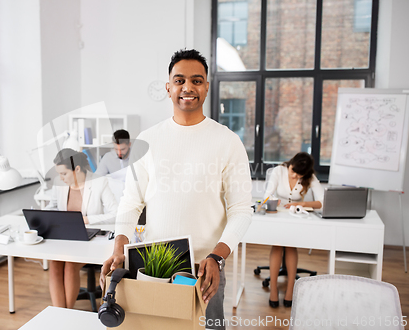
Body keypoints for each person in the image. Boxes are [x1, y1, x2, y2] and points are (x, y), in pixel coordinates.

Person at [99, 49, 253, 330]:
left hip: (205, 269)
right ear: (168, 87)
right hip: (155, 267)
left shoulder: (227, 141)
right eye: (179, 80)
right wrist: (119, 244)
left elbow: (242, 210)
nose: (188, 87)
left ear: (206, 87)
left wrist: (217, 257)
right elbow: (131, 202)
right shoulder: (148, 140)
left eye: (197, 80)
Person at [45, 148, 118, 308]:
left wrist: (87, 219)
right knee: (55, 263)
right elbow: (53, 207)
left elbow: (115, 213)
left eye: (64, 173)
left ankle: (67, 311)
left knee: (70, 265)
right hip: (66, 237)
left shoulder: (99, 182)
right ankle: (59, 313)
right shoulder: (60, 184)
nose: (61, 178)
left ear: (77, 169)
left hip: (89, 239)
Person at [263, 152, 324, 308]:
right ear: (290, 164)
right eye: (292, 171)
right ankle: (273, 290)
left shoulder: (309, 177)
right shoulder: (279, 171)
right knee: (277, 244)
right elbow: (267, 194)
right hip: (278, 215)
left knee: (290, 245)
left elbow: (322, 202)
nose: (294, 176)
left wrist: (302, 204)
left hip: (296, 218)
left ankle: (291, 290)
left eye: (299, 175)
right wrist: (271, 201)